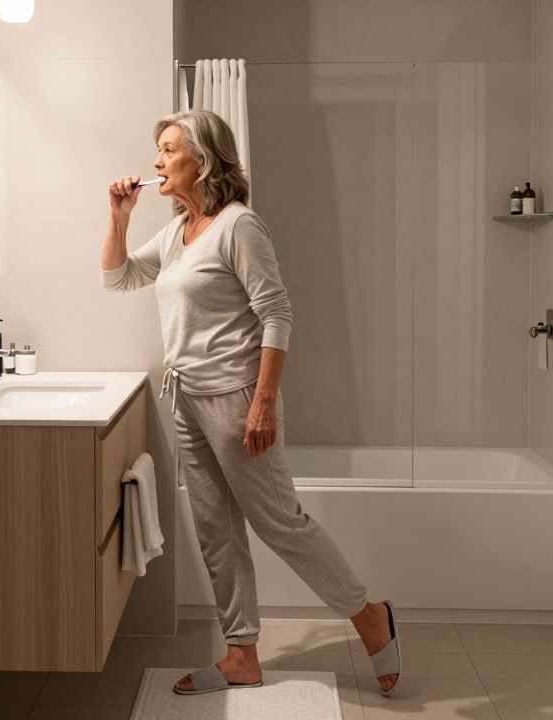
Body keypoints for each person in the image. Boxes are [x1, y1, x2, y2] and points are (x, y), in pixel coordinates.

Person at [101, 110, 402, 697]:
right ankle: (241, 653)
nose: (157, 161)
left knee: (279, 522)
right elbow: (119, 279)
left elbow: (278, 315)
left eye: (168, 150)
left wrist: (263, 402)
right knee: (215, 527)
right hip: (186, 397)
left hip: (238, 399)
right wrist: (118, 218)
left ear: (203, 159)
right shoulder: (179, 230)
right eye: (157, 151)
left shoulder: (239, 226)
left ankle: (369, 616)